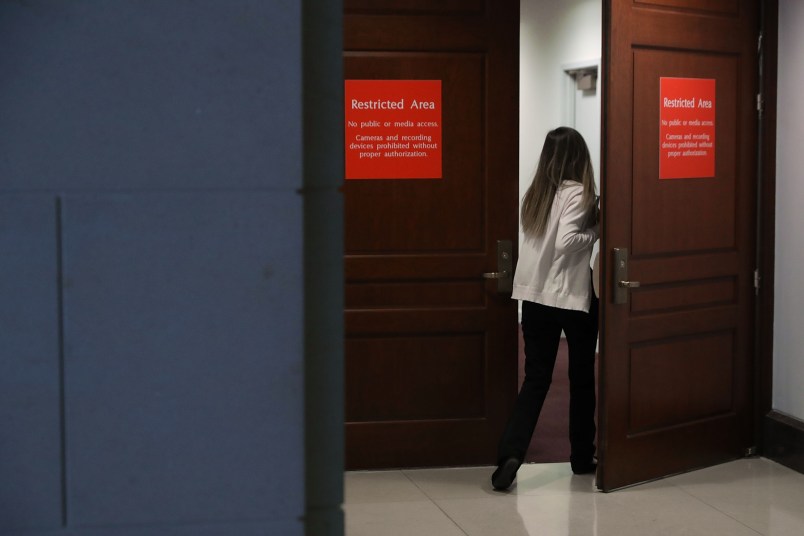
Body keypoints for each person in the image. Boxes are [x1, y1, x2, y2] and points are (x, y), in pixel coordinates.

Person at [492, 126, 600, 491]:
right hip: (570, 296)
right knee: (581, 379)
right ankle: (582, 456)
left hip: (535, 298)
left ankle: (510, 456)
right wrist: (597, 231)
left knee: (536, 380)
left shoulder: (536, 194)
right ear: (579, 156)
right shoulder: (580, 193)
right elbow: (568, 242)